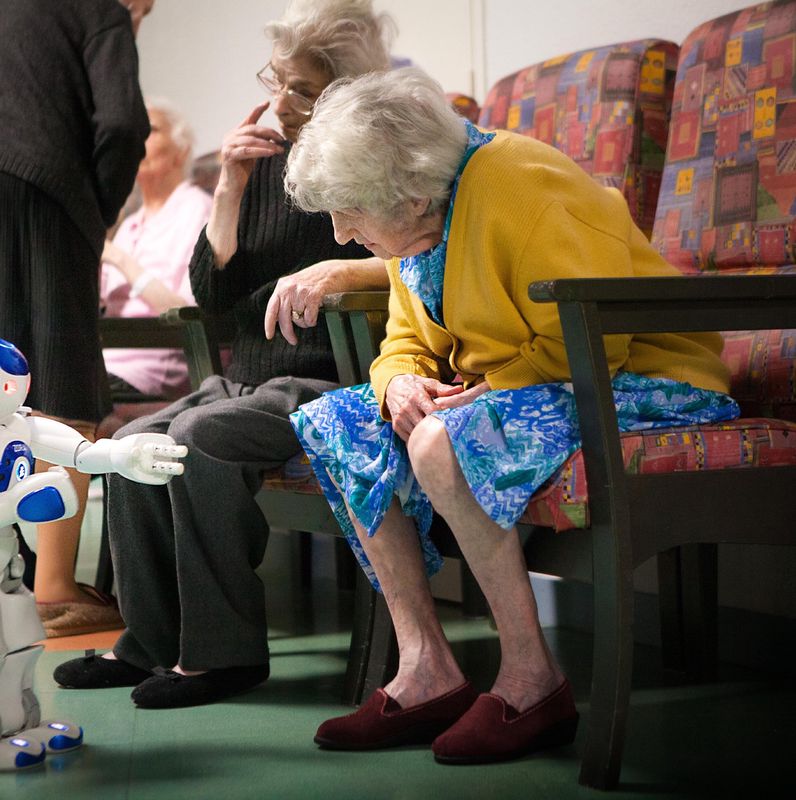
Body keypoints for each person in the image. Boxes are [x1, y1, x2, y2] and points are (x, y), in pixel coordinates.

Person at [283, 68, 741, 764]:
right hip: (536, 380)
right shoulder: (418, 225)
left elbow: (600, 330)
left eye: (349, 210)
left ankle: (533, 678)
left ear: (405, 191)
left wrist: (486, 385)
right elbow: (405, 339)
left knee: (442, 442)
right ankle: (426, 668)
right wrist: (399, 380)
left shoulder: (516, 181)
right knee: (339, 419)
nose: (342, 235)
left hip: (638, 376)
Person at [53, 0, 393, 709]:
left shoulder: (372, 158)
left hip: (336, 378)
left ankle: (224, 656)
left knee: (197, 439)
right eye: (277, 79)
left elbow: (407, 265)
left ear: (342, 89)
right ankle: (149, 643)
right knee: (135, 443)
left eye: (300, 88)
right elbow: (212, 297)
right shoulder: (263, 164)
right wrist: (230, 189)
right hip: (247, 379)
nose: (279, 100)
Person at [0, 0, 153, 636]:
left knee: (4, 381)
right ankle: (54, 590)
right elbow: (122, 123)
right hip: (44, 195)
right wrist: (98, 212)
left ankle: (20, 578)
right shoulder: (101, 9)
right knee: (63, 378)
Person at [101, 98, 213, 407]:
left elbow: (187, 311)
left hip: (156, 367)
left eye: (150, 130)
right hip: (107, 361)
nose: (137, 139)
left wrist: (119, 259)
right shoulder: (129, 223)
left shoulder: (198, 212)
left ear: (182, 151)